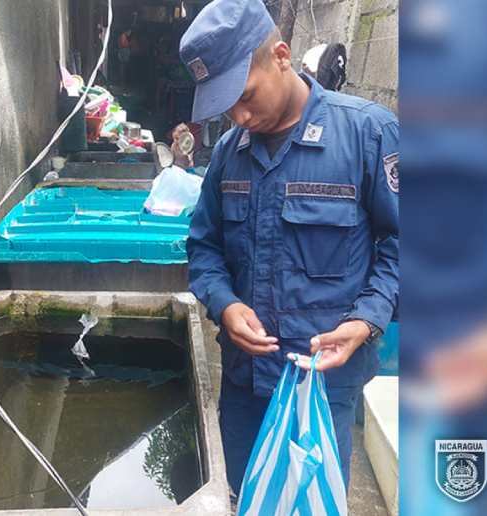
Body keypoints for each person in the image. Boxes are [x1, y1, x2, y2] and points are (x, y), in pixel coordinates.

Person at [180, 0, 399, 496]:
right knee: (245, 493)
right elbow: (204, 247)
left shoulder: (367, 134)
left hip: (322, 384)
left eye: (245, 95)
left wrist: (366, 320)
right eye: (225, 105)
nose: (239, 115)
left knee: (311, 499)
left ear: (281, 56)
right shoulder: (228, 155)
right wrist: (225, 304)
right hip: (245, 381)